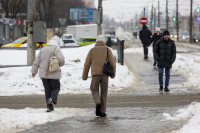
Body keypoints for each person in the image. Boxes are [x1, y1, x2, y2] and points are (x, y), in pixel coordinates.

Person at [82, 35, 116, 117]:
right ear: (104, 41)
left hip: (95, 74)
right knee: (104, 93)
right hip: (105, 74)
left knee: (94, 89)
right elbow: (113, 63)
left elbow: (87, 64)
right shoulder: (108, 50)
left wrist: (84, 76)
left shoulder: (92, 50)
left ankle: (98, 103)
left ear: (96, 41)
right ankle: (103, 111)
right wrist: (113, 74)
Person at [31, 36, 65, 112]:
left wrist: (34, 72)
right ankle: (52, 98)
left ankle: (49, 107)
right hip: (54, 73)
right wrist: (59, 64)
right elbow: (62, 59)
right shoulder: (57, 49)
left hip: (44, 75)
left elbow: (36, 62)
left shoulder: (42, 49)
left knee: (47, 90)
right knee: (56, 88)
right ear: (57, 42)